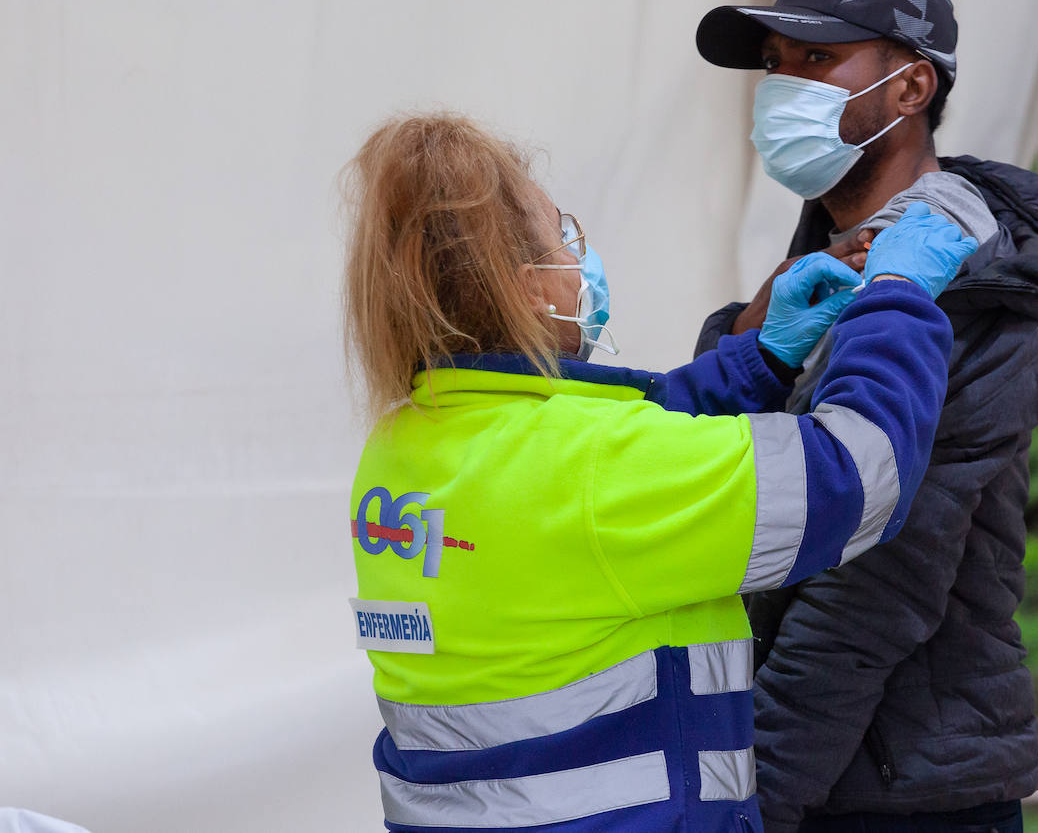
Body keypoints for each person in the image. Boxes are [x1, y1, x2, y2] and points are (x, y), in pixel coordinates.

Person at [341, 112, 979, 831]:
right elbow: (857, 472)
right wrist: (896, 294)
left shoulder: (402, 448)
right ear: (530, 289)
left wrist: (759, 360)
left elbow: (601, 471)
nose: (580, 255)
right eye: (565, 236)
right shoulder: (595, 468)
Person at [694, 0, 1038, 833]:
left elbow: (877, 588)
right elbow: (714, 490)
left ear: (911, 85)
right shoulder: (813, 263)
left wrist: (753, 801)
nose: (777, 90)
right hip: (795, 769)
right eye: (772, 63)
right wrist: (740, 341)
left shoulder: (973, 283)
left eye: (813, 62)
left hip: (907, 793)